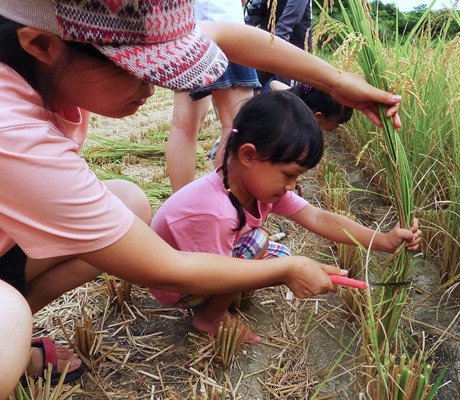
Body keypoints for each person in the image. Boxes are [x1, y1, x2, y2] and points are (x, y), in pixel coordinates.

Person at [0, 0, 402, 395]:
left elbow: (226, 35)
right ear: (40, 45)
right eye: (134, 70)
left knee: (130, 202)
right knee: (8, 323)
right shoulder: (12, 129)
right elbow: (166, 268)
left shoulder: (51, 54)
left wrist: (335, 81)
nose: (150, 87)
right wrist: (286, 268)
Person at [149, 90, 421, 344]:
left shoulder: (249, 185)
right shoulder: (215, 212)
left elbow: (316, 217)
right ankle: (211, 316)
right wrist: (275, 274)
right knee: (258, 242)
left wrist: (382, 241)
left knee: (279, 255)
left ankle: (223, 297)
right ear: (248, 155)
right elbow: (206, 273)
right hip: (181, 285)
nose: (292, 186)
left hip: (204, 258)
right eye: (288, 175)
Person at [168, 0, 261, 191]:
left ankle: (182, 207)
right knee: (235, 125)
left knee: (184, 126)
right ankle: (222, 205)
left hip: (187, 29)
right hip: (225, 22)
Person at [245, 0, 312, 87]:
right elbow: (250, 20)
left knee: (285, 96)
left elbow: (284, 29)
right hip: (268, 48)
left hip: (291, 56)